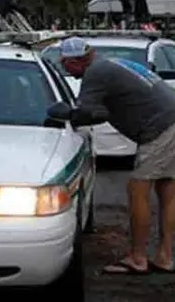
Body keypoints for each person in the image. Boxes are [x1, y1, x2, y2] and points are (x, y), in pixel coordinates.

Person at [58, 36, 175, 275]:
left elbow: (88, 114)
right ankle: (165, 256)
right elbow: (100, 111)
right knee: (167, 188)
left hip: (160, 128)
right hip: (171, 118)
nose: (63, 69)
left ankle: (138, 258)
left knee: (137, 188)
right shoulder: (110, 64)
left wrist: (67, 113)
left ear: (75, 61)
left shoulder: (95, 74)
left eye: (65, 64)